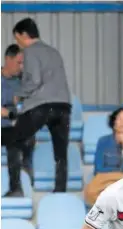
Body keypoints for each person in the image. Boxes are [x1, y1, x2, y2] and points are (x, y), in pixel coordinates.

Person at [6, 18, 72, 196]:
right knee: (61, 153)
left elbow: (34, 80)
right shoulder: (54, 52)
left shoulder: (30, 51)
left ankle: (16, 189)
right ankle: (60, 193)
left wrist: (19, 93)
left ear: (23, 35)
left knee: (13, 140)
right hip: (64, 106)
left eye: (17, 37)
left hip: (42, 106)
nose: (17, 41)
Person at [1, 44, 24, 190]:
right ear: (8, 60)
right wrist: (10, 113)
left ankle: (15, 189)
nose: (21, 66)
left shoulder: (22, 82)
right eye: (18, 62)